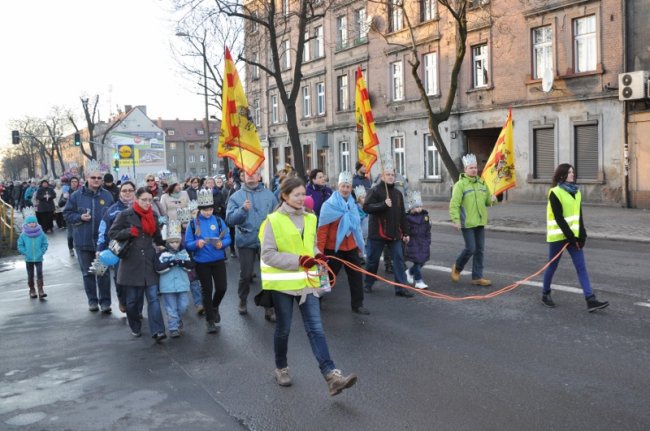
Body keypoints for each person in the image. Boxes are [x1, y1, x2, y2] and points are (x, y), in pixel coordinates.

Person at [260, 177, 358, 395]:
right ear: (285, 196)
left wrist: (317, 254)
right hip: (283, 285)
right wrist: (298, 260)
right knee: (283, 329)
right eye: (297, 194)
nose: (302, 198)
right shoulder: (273, 221)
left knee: (315, 328)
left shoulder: (310, 217)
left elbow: (311, 244)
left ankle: (331, 375)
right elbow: (267, 255)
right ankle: (281, 368)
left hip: (307, 282)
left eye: (303, 194)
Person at [541, 164, 609, 311]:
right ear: (562, 175)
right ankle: (545, 293)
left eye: (573, 172)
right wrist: (571, 238)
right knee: (552, 266)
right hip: (558, 237)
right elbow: (559, 218)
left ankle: (590, 299)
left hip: (573, 237)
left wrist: (583, 234)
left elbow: (579, 216)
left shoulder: (577, 192)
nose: (573, 174)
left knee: (581, 268)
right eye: (570, 172)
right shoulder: (555, 192)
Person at [108, 187, 167, 340]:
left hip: (148, 261)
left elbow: (158, 237)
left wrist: (171, 242)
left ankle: (158, 330)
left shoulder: (153, 215)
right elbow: (112, 233)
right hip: (131, 262)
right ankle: (135, 325)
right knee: (133, 301)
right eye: (144, 200)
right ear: (137, 199)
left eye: (149, 200)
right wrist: (128, 232)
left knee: (153, 298)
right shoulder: (125, 214)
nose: (147, 203)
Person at [226, 169, 278, 320]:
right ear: (243, 177)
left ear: (259, 176)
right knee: (246, 274)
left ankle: (269, 307)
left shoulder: (269, 195)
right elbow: (229, 220)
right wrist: (242, 210)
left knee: (268, 274)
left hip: (266, 241)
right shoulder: (236, 196)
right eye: (247, 174)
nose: (251, 176)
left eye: (254, 173)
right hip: (246, 240)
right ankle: (242, 300)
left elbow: (277, 216)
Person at [64, 166, 114, 312]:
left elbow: (113, 217)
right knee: (87, 274)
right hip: (83, 242)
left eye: (99, 178)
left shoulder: (107, 196)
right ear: (86, 178)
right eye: (93, 177)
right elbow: (67, 214)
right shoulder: (76, 196)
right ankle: (92, 301)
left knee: (102, 273)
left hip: (101, 244)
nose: (96, 180)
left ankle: (105, 303)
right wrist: (79, 217)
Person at [317, 172, 369, 314]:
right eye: (343, 186)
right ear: (338, 186)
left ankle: (357, 305)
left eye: (348, 186)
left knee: (356, 277)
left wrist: (359, 246)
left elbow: (356, 228)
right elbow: (322, 230)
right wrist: (319, 252)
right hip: (333, 248)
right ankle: (316, 298)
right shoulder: (328, 206)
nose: (345, 189)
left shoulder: (352, 204)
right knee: (327, 277)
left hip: (350, 247)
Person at [362, 163, 413, 297]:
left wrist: (406, 232)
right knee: (373, 260)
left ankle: (401, 288)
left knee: (399, 259)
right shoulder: (374, 190)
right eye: (388, 175)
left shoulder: (397, 193)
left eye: (392, 175)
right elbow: (366, 207)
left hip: (394, 233)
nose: (390, 177)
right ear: (382, 176)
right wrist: (382, 205)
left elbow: (402, 214)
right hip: (377, 233)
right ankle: (368, 283)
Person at [185, 190, 231, 333]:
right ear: (200, 209)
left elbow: (228, 237)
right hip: (202, 262)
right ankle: (210, 321)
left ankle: (214, 306)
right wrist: (196, 244)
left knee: (222, 288)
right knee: (207, 290)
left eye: (210, 209)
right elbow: (187, 243)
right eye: (205, 210)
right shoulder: (193, 224)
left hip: (218, 259)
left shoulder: (218, 220)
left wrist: (222, 244)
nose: (208, 212)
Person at [449, 154, 494, 286]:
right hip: (467, 222)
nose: (474, 170)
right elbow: (454, 204)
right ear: (465, 169)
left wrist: (493, 200)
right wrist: (455, 219)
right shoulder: (460, 185)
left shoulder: (482, 183)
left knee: (480, 250)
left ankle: (477, 277)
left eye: (475, 167)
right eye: (471, 168)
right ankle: (457, 267)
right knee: (471, 248)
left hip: (480, 222)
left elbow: (486, 201)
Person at [97, 181, 136, 313]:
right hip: (118, 249)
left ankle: (136, 308)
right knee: (120, 278)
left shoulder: (141, 207)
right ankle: (123, 301)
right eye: (124, 190)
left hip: (137, 248)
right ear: (120, 193)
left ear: (134, 192)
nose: (127, 193)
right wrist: (100, 248)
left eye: (130, 190)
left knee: (138, 279)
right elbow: (103, 230)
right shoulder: (112, 210)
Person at [156, 220, 194, 338]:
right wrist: (171, 264)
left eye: (176, 242)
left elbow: (190, 266)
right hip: (167, 287)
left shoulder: (184, 252)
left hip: (182, 285)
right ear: (167, 242)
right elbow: (158, 268)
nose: (174, 245)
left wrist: (182, 262)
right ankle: (173, 327)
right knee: (171, 307)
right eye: (171, 242)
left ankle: (177, 319)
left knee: (183, 305)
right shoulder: (162, 254)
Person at [404, 191, 431, 289]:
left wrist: (428, 240)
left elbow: (428, 230)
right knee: (417, 261)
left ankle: (409, 272)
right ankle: (419, 281)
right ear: (411, 208)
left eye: (420, 206)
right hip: (414, 242)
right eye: (416, 207)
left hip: (423, 242)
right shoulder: (408, 218)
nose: (419, 208)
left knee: (422, 261)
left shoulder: (425, 217)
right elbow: (406, 230)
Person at [17, 213, 49, 299]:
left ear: (36, 223)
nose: (32, 224)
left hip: (39, 258)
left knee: (39, 274)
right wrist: (25, 252)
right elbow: (20, 245)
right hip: (29, 259)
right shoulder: (23, 235)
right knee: (30, 275)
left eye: (34, 222)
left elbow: (45, 243)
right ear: (26, 224)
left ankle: (41, 290)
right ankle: (32, 290)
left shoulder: (41, 233)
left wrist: (42, 251)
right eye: (30, 223)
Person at [60, 176, 80, 257]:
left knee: (79, 234)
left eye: (76, 181)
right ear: (70, 183)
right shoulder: (67, 192)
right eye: (72, 182)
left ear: (78, 183)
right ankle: (71, 248)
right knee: (70, 235)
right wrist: (64, 198)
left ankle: (78, 248)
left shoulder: (81, 192)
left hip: (79, 216)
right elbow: (60, 204)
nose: (74, 183)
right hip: (70, 216)